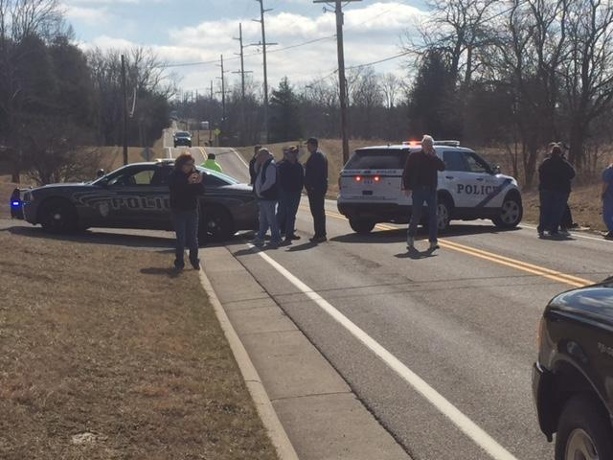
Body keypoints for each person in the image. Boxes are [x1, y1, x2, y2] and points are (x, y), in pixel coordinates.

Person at [402, 134, 446, 251]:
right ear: (422, 145)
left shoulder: (433, 158)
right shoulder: (414, 156)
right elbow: (407, 172)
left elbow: (442, 167)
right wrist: (406, 187)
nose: (428, 147)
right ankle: (411, 237)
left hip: (431, 190)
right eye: (426, 144)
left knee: (433, 216)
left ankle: (433, 241)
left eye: (430, 145)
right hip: (418, 190)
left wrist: (434, 157)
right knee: (416, 215)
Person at [168, 152, 205, 271]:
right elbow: (176, 190)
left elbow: (201, 192)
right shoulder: (175, 175)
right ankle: (179, 262)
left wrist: (198, 182)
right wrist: (188, 182)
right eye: (188, 164)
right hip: (179, 211)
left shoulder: (193, 175)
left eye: (192, 164)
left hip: (192, 210)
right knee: (181, 238)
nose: (190, 167)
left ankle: (194, 260)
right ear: (181, 165)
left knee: (193, 237)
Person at [537, 143, 575, 238]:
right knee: (557, 210)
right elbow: (572, 174)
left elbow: (540, 171)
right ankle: (553, 230)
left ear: (551, 153)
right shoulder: (564, 164)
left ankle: (542, 229)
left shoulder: (546, 162)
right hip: (561, 190)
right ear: (560, 153)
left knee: (545, 210)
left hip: (546, 189)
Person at [253, 148, 282, 247]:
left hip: (269, 196)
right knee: (263, 219)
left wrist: (261, 190)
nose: (258, 159)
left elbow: (270, 181)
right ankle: (260, 237)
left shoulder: (270, 165)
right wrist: (257, 163)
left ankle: (276, 238)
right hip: (264, 196)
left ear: (264, 156)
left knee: (270, 218)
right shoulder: (263, 165)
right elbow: (256, 171)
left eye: (259, 157)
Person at [276, 146, 304, 243]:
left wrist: (300, 188)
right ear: (289, 154)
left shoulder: (299, 166)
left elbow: (302, 178)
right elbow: (278, 179)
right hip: (284, 192)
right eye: (292, 153)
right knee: (281, 213)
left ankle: (289, 234)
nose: (294, 155)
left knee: (292, 214)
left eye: (295, 153)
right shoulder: (282, 166)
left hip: (296, 193)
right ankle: (275, 233)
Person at [304, 137, 328, 243]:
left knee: (317, 211)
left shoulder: (317, 156)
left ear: (312, 144)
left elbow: (316, 173)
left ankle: (320, 234)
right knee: (317, 211)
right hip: (318, 187)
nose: (307, 147)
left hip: (316, 188)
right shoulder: (318, 155)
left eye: (308, 144)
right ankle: (319, 233)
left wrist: (312, 186)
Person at [602, 160, 613, 239]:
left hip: (610, 195)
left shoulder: (609, 171)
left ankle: (612, 230)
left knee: (607, 214)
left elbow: (606, 183)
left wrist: (603, 193)